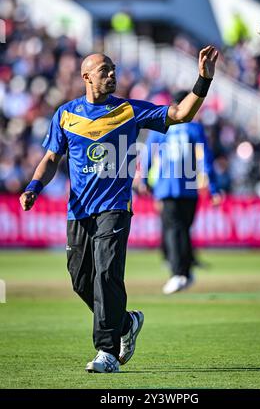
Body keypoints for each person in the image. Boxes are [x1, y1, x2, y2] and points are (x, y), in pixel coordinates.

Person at [19, 45, 219, 373]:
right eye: (104, 71)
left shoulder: (129, 110)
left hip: (115, 207)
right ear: (86, 77)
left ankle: (106, 352)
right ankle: (126, 323)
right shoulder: (66, 114)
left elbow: (182, 114)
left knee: (107, 274)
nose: (112, 74)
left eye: (113, 69)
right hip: (79, 211)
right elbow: (51, 158)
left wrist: (203, 79)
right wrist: (33, 187)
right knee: (81, 281)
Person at [141, 90, 222, 294]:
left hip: (166, 187)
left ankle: (178, 274)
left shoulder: (161, 126)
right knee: (183, 229)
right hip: (189, 187)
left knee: (172, 230)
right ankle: (185, 272)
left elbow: (148, 155)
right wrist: (213, 188)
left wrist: (144, 181)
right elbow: (206, 159)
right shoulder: (195, 128)